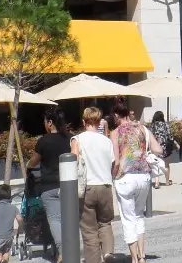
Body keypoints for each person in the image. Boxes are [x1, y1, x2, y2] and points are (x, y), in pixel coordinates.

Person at [111, 102, 163, 263]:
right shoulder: (143, 129)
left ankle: (134, 258)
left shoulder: (115, 133)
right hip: (144, 177)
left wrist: (113, 175)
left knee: (128, 219)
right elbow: (158, 150)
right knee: (139, 216)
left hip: (125, 178)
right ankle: (142, 256)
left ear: (116, 116)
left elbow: (117, 160)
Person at [74, 106, 116, 263]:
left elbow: (73, 162)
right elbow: (114, 163)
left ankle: (93, 260)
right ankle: (108, 252)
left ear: (84, 121)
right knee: (105, 223)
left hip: (87, 187)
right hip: (105, 185)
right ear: (99, 122)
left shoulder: (77, 139)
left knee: (89, 229)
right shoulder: (107, 141)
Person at [29, 107, 72, 261]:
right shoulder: (70, 138)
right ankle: (71, 248)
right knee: (70, 219)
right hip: (69, 185)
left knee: (55, 219)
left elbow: (33, 162)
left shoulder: (43, 141)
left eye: (45, 121)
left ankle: (62, 251)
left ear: (50, 122)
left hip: (49, 186)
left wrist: (28, 166)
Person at [148, 111, 174, 188]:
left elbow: (149, 135)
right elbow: (170, 136)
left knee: (156, 163)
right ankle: (167, 181)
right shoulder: (166, 125)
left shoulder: (152, 125)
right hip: (164, 146)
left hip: (155, 146)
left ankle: (156, 183)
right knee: (166, 163)